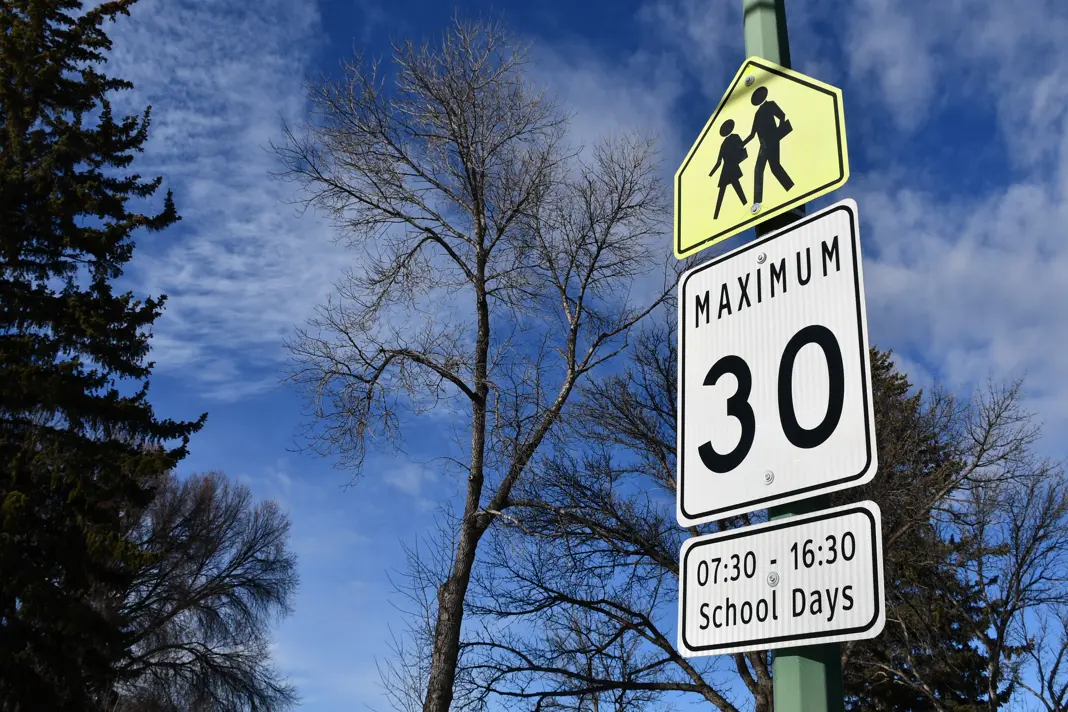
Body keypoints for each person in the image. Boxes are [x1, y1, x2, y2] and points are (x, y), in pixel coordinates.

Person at [742, 86, 794, 205]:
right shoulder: (757, 113)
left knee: (774, 167)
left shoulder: (770, 104)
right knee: (760, 169)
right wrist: (742, 144)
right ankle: (757, 202)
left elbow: (782, 116)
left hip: (772, 140)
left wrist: (777, 133)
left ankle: (790, 188)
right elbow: (752, 134)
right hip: (763, 145)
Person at [708, 119, 748, 220]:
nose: (727, 130)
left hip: (732, 165)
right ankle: (716, 215)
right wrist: (710, 174)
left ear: (731, 128)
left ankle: (746, 204)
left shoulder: (735, 136)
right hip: (726, 169)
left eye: (728, 128)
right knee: (722, 190)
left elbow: (741, 147)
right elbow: (719, 162)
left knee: (737, 186)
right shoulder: (723, 144)